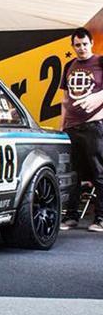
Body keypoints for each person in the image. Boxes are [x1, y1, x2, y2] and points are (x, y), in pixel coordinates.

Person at [59, 27, 103, 232]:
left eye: (85, 44)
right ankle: (71, 216)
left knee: (99, 172)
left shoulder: (101, 62)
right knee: (73, 174)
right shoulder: (69, 65)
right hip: (72, 127)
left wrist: (98, 97)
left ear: (91, 43)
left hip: (94, 126)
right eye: (77, 45)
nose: (81, 48)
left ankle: (101, 218)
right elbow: (65, 99)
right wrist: (62, 126)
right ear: (72, 46)